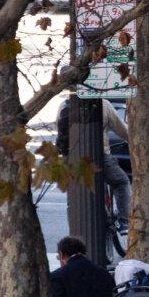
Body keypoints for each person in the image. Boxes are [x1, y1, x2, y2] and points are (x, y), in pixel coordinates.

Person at [56, 99, 132, 234]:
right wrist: (133, 140)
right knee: (121, 182)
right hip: (99, 157)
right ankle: (124, 222)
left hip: (71, 158)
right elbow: (123, 131)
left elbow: (60, 131)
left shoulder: (64, 104)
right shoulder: (104, 104)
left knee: (72, 196)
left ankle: (73, 232)